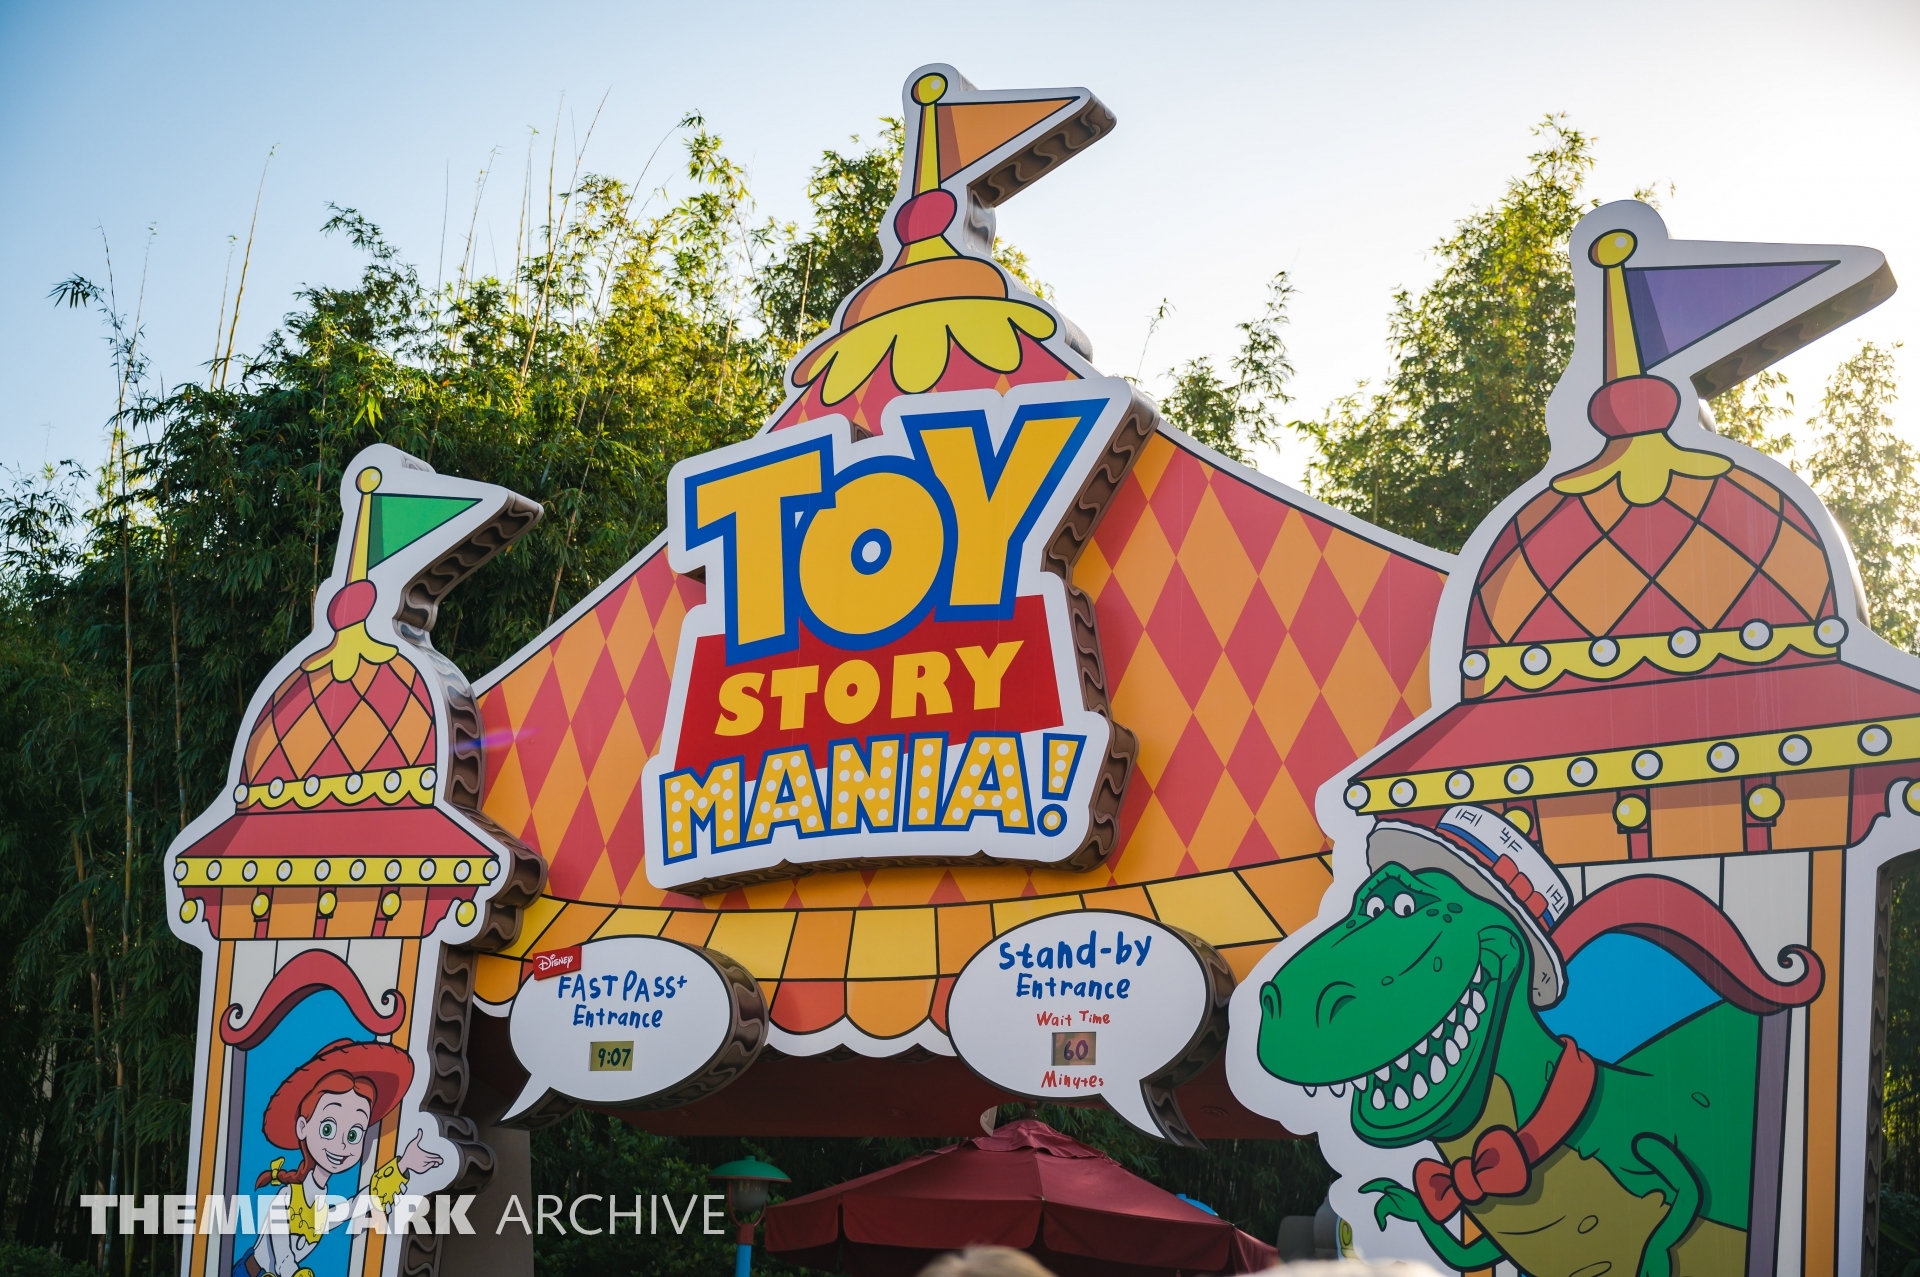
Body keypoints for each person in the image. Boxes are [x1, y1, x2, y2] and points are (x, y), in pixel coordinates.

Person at [240, 1038, 443, 1277]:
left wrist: (404, 1164)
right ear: (303, 1127)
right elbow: (283, 1261)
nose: (342, 1144)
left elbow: (356, 1205)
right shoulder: (285, 1199)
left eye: (354, 1134)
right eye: (328, 1129)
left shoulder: (320, 1204)